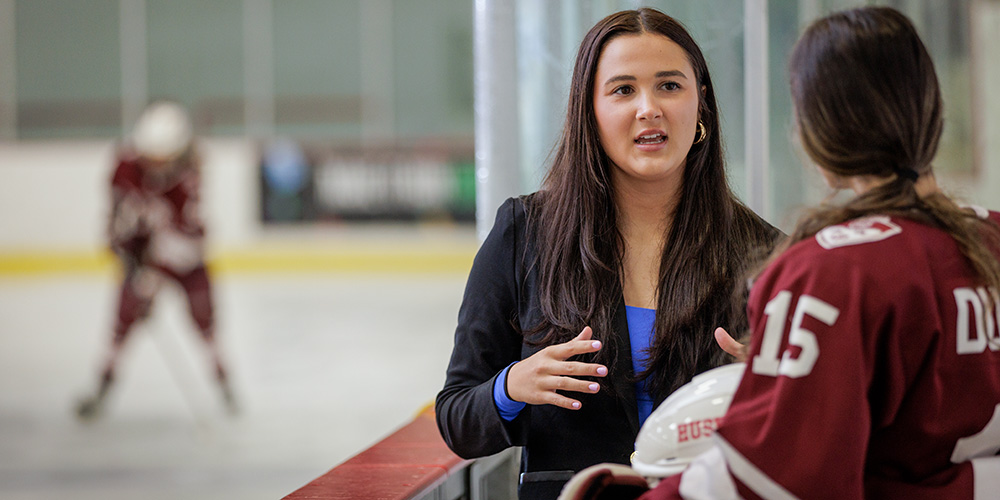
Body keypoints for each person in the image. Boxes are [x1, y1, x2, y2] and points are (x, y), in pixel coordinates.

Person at [620, 6, 1000, 499]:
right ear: (932, 110)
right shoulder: (989, 236)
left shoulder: (830, 271)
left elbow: (769, 477)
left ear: (814, 128)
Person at [435, 8, 779, 499]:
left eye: (669, 86)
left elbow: (819, 430)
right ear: (589, 110)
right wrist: (510, 386)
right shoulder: (524, 232)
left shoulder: (764, 252)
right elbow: (456, 418)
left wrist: (782, 387)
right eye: (623, 90)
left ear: (701, 103)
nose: (648, 108)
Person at [76, 101, 237, 419]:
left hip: (183, 264)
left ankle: (224, 386)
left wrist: (156, 273)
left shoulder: (189, 176)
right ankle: (102, 387)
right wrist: (122, 249)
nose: (154, 163)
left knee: (206, 323)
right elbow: (116, 214)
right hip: (140, 260)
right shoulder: (125, 168)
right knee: (122, 321)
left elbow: (188, 239)